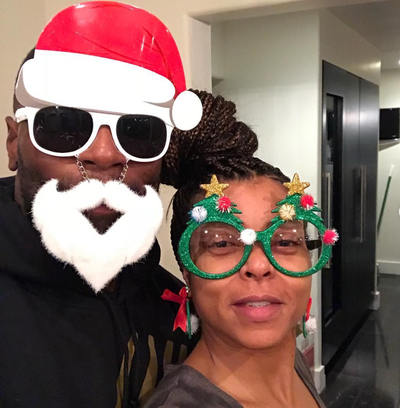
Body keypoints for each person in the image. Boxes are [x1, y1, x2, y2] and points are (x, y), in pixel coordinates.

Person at [1, 2, 203, 408]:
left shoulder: (178, 310)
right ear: (13, 143)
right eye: (64, 126)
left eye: (139, 132)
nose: (105, 155)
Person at [145, 91, 339, 407]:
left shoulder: (287, 359)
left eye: (285, 241)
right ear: (187, 272)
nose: (259, 265)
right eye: (222, 243)